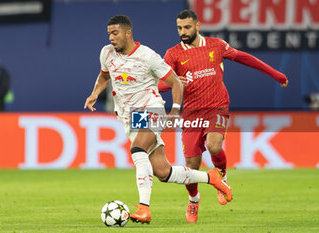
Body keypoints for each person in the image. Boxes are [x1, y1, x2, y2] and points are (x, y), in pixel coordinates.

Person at [84, 15, 232, 224]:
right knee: (163, 172)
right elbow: (105, 75)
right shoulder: (106, 53)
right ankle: (211, 177)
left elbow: (175, 82)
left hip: (151, 109)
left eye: (115, 33)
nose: (110, 38)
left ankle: (144, 207)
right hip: (130, 118)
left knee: (137, 151)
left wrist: (174, 110)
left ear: (128, 33)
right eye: (109, 33)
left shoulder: (147, 56)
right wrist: (94, 93)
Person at [158, 10, 288, 223]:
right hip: (191, 112)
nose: (183, 32)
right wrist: (173, 83)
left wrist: (276, 74)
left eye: (187, 27)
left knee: (215, 145)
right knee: (191, 165)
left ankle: (222, 177)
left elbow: (245, 58)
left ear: (198, 25)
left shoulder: (216, 45)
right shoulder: (173, 54)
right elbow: (159, 83)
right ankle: (194, 200)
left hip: (216, 107)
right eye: (180, 28)